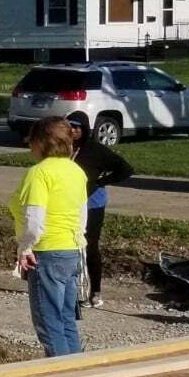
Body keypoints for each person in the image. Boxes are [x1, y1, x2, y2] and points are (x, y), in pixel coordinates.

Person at [11, 116, 88, 357]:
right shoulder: (76, 171)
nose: (29, 147)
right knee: (65, 319)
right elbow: (82, 215)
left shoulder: (39, 173)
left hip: (46, 253)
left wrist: (24, 249)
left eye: (32, 142)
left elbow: (34, 221)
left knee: (49, 323)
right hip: (71, 250)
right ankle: (79, 373)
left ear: (42, 143)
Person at [69, 117, 133, 309]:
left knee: (90, 246)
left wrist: (101, 182)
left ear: (84, 129)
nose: (72, 131)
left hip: (92, 204)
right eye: (68, 127)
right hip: (69, 203)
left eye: (76, 127)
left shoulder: (95, 149)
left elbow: (125, 169)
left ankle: (95, 291)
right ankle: (76, 289)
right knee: (71, 246)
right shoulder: (63, 148)